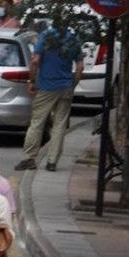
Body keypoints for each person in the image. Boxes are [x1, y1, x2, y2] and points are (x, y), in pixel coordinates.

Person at [15, 25, 84, 172]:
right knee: (59, 125)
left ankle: (29, 158)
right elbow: (79, 67)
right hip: (65, 86)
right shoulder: (73, 39)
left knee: (37, 122)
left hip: (46, 86)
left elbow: (35, 61)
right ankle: (52, 162)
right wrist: (73, 84)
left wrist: (31, 81)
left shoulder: (45, 36)